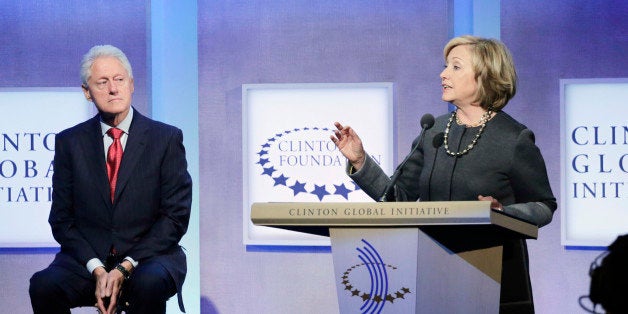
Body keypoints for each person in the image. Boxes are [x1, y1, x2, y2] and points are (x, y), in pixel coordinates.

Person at [331, 35, 556, 313]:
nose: (443, 73)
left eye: (455, 67)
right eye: (446, 66)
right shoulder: (433, 131)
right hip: (433, 272)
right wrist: (361, 161)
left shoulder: (513, 138)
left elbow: (544, 205)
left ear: (485, 75)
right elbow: (397, 199)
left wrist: (503, 213)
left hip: (495, 277)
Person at [29, 45, 192, 314]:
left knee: (148, 283)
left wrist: (125, 266)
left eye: (119, 80)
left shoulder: (165, 139)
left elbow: (175, 217)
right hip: (89, 261)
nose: (113, 89)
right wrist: (96, 267)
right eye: (102, 82)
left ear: (131, 84)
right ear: (87, 92)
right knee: (44, 285)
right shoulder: (70, 142)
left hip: (147, 258)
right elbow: (61, 219)